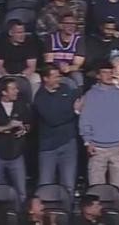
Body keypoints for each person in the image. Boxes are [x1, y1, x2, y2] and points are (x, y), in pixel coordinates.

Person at [80, 61, 119, 193]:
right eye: (105, 72)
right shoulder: (90, 95)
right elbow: (85, 119)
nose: (109, 75)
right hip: (97, 148)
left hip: (117, 147)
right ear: (98, 76)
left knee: (118, 189)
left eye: (111, 72)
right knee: (96, 189)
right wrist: (87, 141)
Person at [33, 65, 80, 197]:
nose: (58, 79)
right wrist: (74, 111)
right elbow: (53, 119)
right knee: (45, 185)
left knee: (68, 185)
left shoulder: (66, 89)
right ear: (45, 78)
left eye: (58, 76)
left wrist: (70, 111)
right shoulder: (40, 97)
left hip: (69, 144)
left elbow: (77, 102)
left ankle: (68, 209)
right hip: (49, 148)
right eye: (55, 77)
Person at [0, 78, 31, 201]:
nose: (17, 91)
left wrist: (24, 129)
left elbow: (29, 123)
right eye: (13, 89)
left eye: (16, 88)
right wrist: (7, 127)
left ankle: (20, 212)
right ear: (4, 92)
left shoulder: (21, 105)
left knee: (21, 193)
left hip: (16, 154)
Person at [0, 19, 41, 100]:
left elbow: (31, 66)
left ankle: (33, 104)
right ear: (11, 33)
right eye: (19, 33)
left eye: (23, 32)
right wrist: (6, 76)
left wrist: (21, 76)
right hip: (4, 74)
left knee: (36, 78)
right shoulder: (1, 44)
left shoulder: (30, 43)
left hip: (24, 75)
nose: (22, 35)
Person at [43, 13, 86, 88]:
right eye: (68, 24)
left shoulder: (78, 40)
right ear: (60, 25)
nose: (71, 26)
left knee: (78, 77)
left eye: (73, 24)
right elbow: (48, 61)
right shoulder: (51, 38)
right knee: (70, 83)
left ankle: (79, 95)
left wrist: (68, 68)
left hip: (70, 70)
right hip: (54, 70)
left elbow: (77, 64)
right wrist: (59, 65)